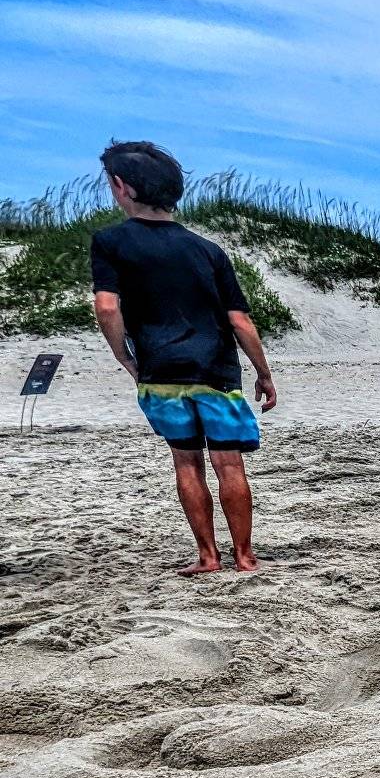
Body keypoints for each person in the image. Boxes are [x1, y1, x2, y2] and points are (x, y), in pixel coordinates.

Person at [90, 140, 277, 574]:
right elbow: (240, 321)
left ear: (122, 187)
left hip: (161, 369)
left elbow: (106, 306)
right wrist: (263, 374)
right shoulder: (208, 250)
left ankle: (208, 557)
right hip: (215, 368)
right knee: (229, 463)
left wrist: (124, 355)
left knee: (186, 460)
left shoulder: (111, 242)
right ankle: (245, 556)